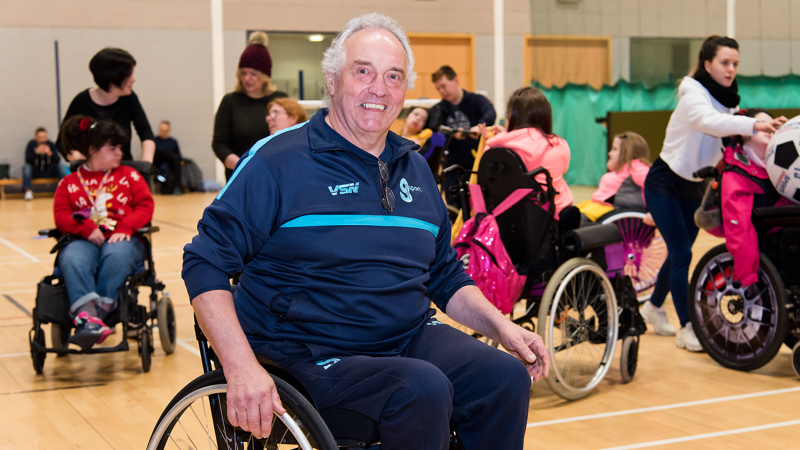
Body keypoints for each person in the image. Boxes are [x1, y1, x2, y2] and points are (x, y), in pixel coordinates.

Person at [183, 13, 549, 450]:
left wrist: (503, 327)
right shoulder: (278, 161)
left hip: (404, 339)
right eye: (364, 72)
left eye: (393, 76)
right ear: (332, 80)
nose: (379, 88)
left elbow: (445, 275)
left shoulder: (413, 166)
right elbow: (204, 261)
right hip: (304, 354)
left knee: (503, 377)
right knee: (419, 390)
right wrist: (240, 366)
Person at [641, 35, 786, 351]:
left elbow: (732, 125)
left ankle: (653, 307)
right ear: (707, 64)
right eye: (724, 62)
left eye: (735, 63)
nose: (731, 69)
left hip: (695, 186)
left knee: (679, 253)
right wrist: (752, 126)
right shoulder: (692, 91)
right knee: (682, 253)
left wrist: (771, 128)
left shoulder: (729, 101)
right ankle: (688, 327)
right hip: (663, 183)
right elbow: (707, 121)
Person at [54, 115, 155, 350]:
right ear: (92, 150)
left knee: (116, 254)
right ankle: (92, 318)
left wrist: (126, 226)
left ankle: (94, 315)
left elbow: (145, 206)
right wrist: (85, 228)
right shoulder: (69, 183)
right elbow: (61, 215)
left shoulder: (129, 176)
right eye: (112, 148)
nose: (119, 153)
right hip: (84, 238)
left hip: (123, 236)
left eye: (119, 147)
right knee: (70, 257)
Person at [695, 109, 789, 289]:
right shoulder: (735, 175)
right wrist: (749, 280)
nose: (771, 128)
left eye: (773, 125)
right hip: (768, 245)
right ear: (745, 132)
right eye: (764, 125)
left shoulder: (783, 166)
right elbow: (739, 229)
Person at [482, 87, 573, 217]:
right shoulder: (559, 144)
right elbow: (563, 169)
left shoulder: (497, 149)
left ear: (512, 118)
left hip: (512, 220)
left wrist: (505, 136)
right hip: (555, 218)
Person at [56, 48, 155, 163]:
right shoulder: (81, 101)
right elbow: (61, 142)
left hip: (122, 169)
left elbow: (145, 131)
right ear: (113, 77)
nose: (133, 80)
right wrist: (76, 156)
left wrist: (147, 162)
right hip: (91, 172)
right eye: (128, 75)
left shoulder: (129, 99)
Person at [213, 31, 288, 181]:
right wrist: (242, 165)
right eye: (243, 72)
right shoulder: (230, 101)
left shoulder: (279, 99)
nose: (247, 78)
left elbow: (289, 139)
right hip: (239, 176)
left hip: (274, 176)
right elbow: (219, 144)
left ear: (265, 76)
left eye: (253, 74)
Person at [432, 65, 496, 206]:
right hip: (452, 168)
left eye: (443, 86)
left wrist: (479, 126)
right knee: (452, 206)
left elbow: (491, 113)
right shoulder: (439, 108)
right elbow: (434, 130)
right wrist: (452, 135)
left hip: (477, 166)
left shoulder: (476, 100)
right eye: (438, 89)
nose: (441, 91)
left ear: (455, 80)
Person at [577, 131, 652, 225]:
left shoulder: (636, 166)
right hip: (599, 208)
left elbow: (657, 186)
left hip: (613, 212)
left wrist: (655, 213)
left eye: (614, 149)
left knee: (578, 220)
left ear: (627, 153)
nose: (610, 153)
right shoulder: (621, 169)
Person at [22, 127, 67, 201]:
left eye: (44, 137)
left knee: (60, 167)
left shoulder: (51, 144)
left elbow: (57, 160)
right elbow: (27, 160)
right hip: (36, 171)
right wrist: (36, 153)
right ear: (35, 137)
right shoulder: (31, 144)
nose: (42, 139)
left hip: (49, 170)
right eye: (40, 137)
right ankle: (27, 191)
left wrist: (50, 154)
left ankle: (64, 191)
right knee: (26, 167)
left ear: (46, 137)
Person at [153, 120, 183, 195]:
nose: (163, 132)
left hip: (171, 164)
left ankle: (177, 187)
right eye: (161, 130)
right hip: (158, 164)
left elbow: (178, 156)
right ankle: (162, 180)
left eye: (165, 131)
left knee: (176, 161)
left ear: (169, 130)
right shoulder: (155, 140)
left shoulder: (173, 141)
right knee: (161, 153)